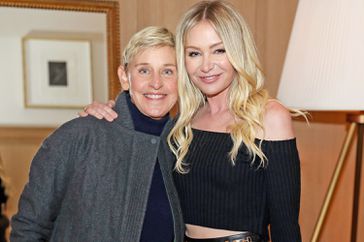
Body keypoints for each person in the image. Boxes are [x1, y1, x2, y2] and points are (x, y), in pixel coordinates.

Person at [81, 1, 303, 242]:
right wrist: (104, 114)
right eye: (194, 53)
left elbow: (286, 227)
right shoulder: (182, 123)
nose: (206, 65)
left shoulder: (269, 116)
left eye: (219, 50)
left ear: (238, 52)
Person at [10, 26, 184, 242]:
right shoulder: (78, 136)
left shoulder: (185, 145)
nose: (156, 83)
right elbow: (29, 228)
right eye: (144, 70)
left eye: (168, 71)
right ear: (124, 77)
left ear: (182, 79)